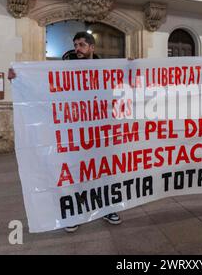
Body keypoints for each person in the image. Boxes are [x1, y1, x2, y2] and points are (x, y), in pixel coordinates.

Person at [8, 31, 122, 232]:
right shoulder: (64, 68)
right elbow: (43, 88)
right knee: (76, 173)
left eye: (82, 45)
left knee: (104, 172)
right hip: (75, 133)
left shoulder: (105, 69)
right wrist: (19, 79)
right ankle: (74, 213)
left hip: (99, 133)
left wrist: (130, 66)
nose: (77, 48)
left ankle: (108, 208)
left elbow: (122, 85)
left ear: (91, 48)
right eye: (76, 44)